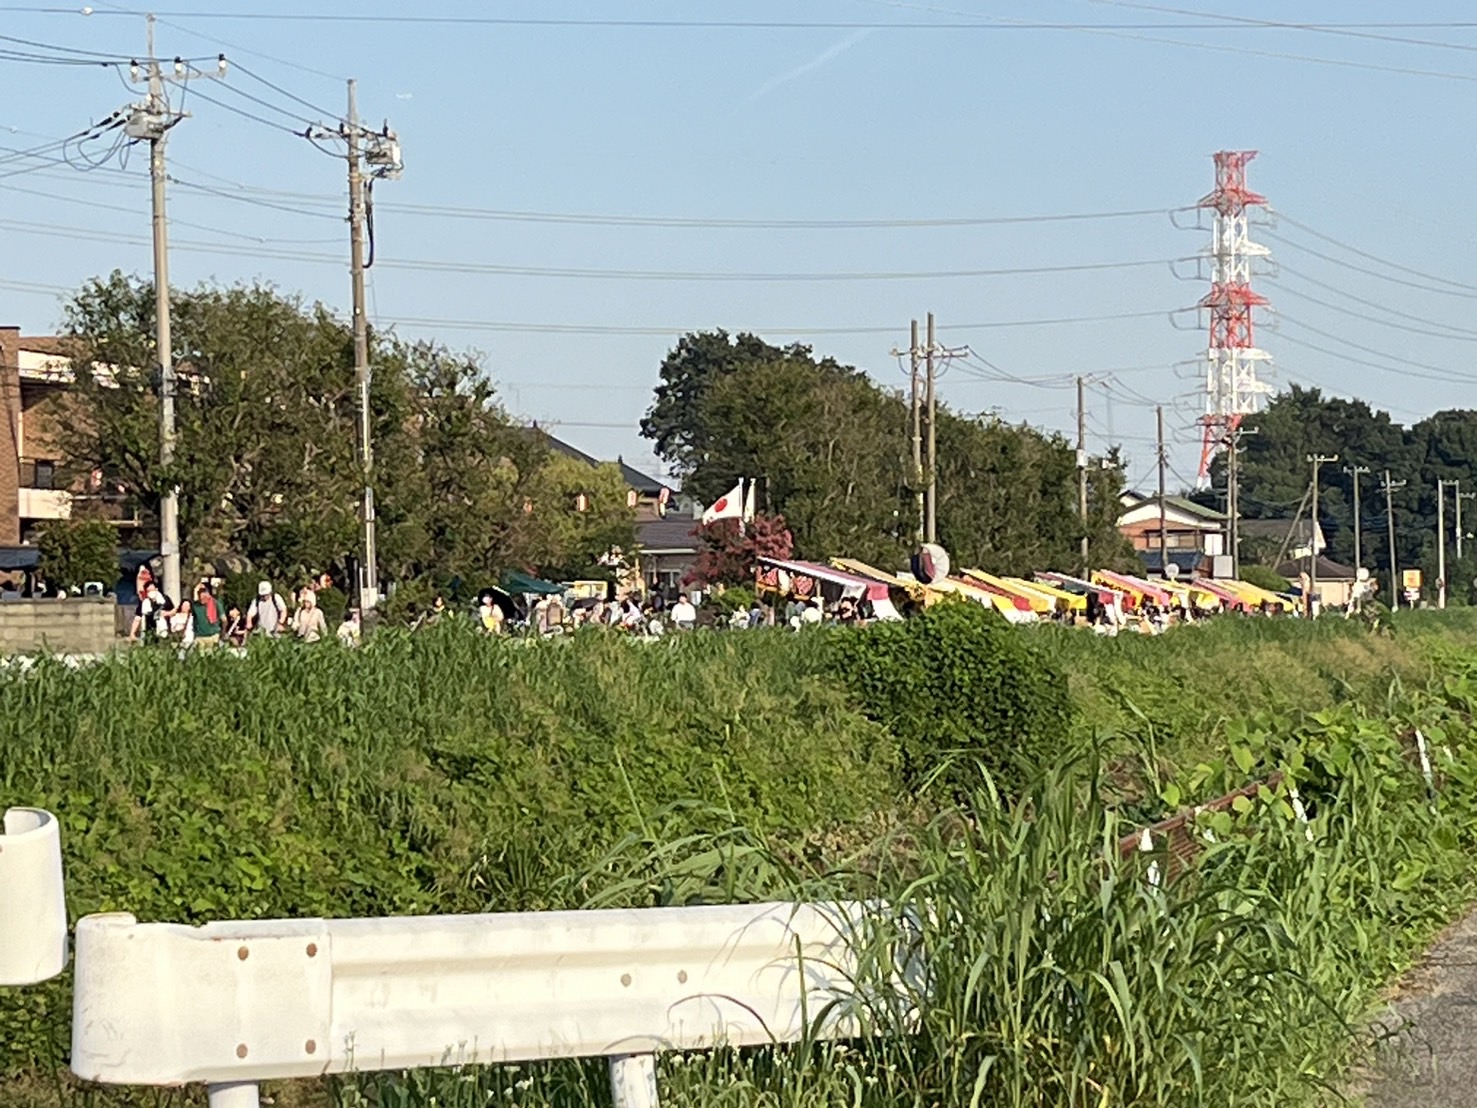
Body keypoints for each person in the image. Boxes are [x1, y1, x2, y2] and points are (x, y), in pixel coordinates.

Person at [189, 581, 222, 650]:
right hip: (200, 637)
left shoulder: (216, 603)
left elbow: (224, 619)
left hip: (213, 636)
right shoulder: (195, 606)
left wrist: (222, 633)